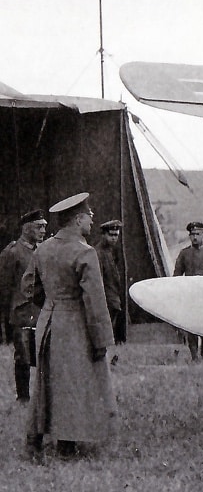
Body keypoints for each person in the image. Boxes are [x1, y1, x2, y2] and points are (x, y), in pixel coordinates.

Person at [22, 193, 117, 463]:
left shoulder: (43, 249)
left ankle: (35, 439)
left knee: (45, 381)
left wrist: (51, 303)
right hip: (75, 324)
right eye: (89, 217)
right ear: (77, 220)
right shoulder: (84, 252)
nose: (91, 221)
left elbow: (28, 286)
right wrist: (101, 341)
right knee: (72, 383)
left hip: (48, 321)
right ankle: (65, 445)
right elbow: (95, 301)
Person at [0, 210, 46, 402]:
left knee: (44, 356)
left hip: (42, 311)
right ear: (26, 229)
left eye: (44, 226)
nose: (43, 230)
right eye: (39, 226)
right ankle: (23, 397)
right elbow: (4, 286)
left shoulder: (43, 250)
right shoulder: (12, 252)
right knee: (24, 358)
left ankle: (43, 397)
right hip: (21, 313)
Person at [173, 221, 203, 361]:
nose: (194, 237)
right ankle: (194, 354)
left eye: (198, 234)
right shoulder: (184, 254)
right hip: (190, 296)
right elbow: (177, 275)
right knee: (190, 325)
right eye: (192, 234)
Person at [96, 220, 126, 344]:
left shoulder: (113, 251)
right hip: (106, 295)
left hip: (114, 292)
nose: (114, 238)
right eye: (111, 235)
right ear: (103, 235)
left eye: (116, 235)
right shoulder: (97, 253)